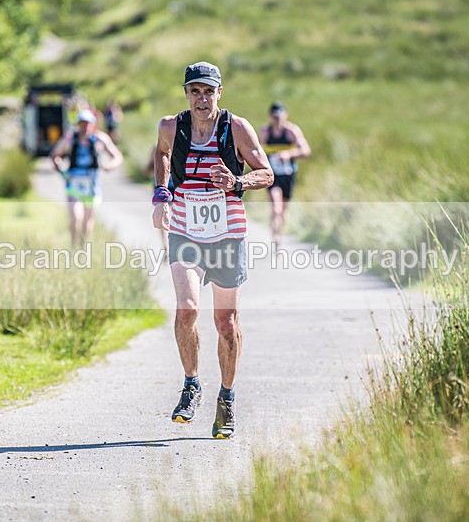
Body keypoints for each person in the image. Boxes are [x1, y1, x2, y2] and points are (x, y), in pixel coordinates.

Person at [151, 61, 273, 439]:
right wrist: (161, 194)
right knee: (187, 309)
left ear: (220, 92)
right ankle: (191, 385)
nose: (201, 98)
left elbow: (267, 173)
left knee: (226, 322)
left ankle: (227, 397)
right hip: (186, 227)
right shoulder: (171, 125)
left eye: (208, 91)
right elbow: (162, 154)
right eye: (194, 91)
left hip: (227, 232)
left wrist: (236, 181)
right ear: (185, 93)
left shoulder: (236, 127)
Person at [50, 108, 124, 247]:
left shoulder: (100, 139)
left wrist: (110, 166)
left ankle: (83, 252)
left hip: (92, 186)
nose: (84, 127)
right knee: (75, 219)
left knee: (87, 224)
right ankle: (73, 248)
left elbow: (118, 157)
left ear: (93, 124)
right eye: (82, 123)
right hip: (73, 185)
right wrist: (63, 173)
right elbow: (55, 156)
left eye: (87, 123)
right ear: (78, 124)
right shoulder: (69, 139)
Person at [259, 101, 311, 246]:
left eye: (280, 116)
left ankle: (279, 233)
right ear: (271, 116)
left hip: (288, 174)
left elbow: (306, 150)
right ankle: (275, 237)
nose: (278, 120)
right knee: (276, 206)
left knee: (283, 208)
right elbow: (255, 150)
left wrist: (289, 154)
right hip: (272, 175)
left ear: (285, 115)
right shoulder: (265, 132)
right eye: (275, 117)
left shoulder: (291, 131)